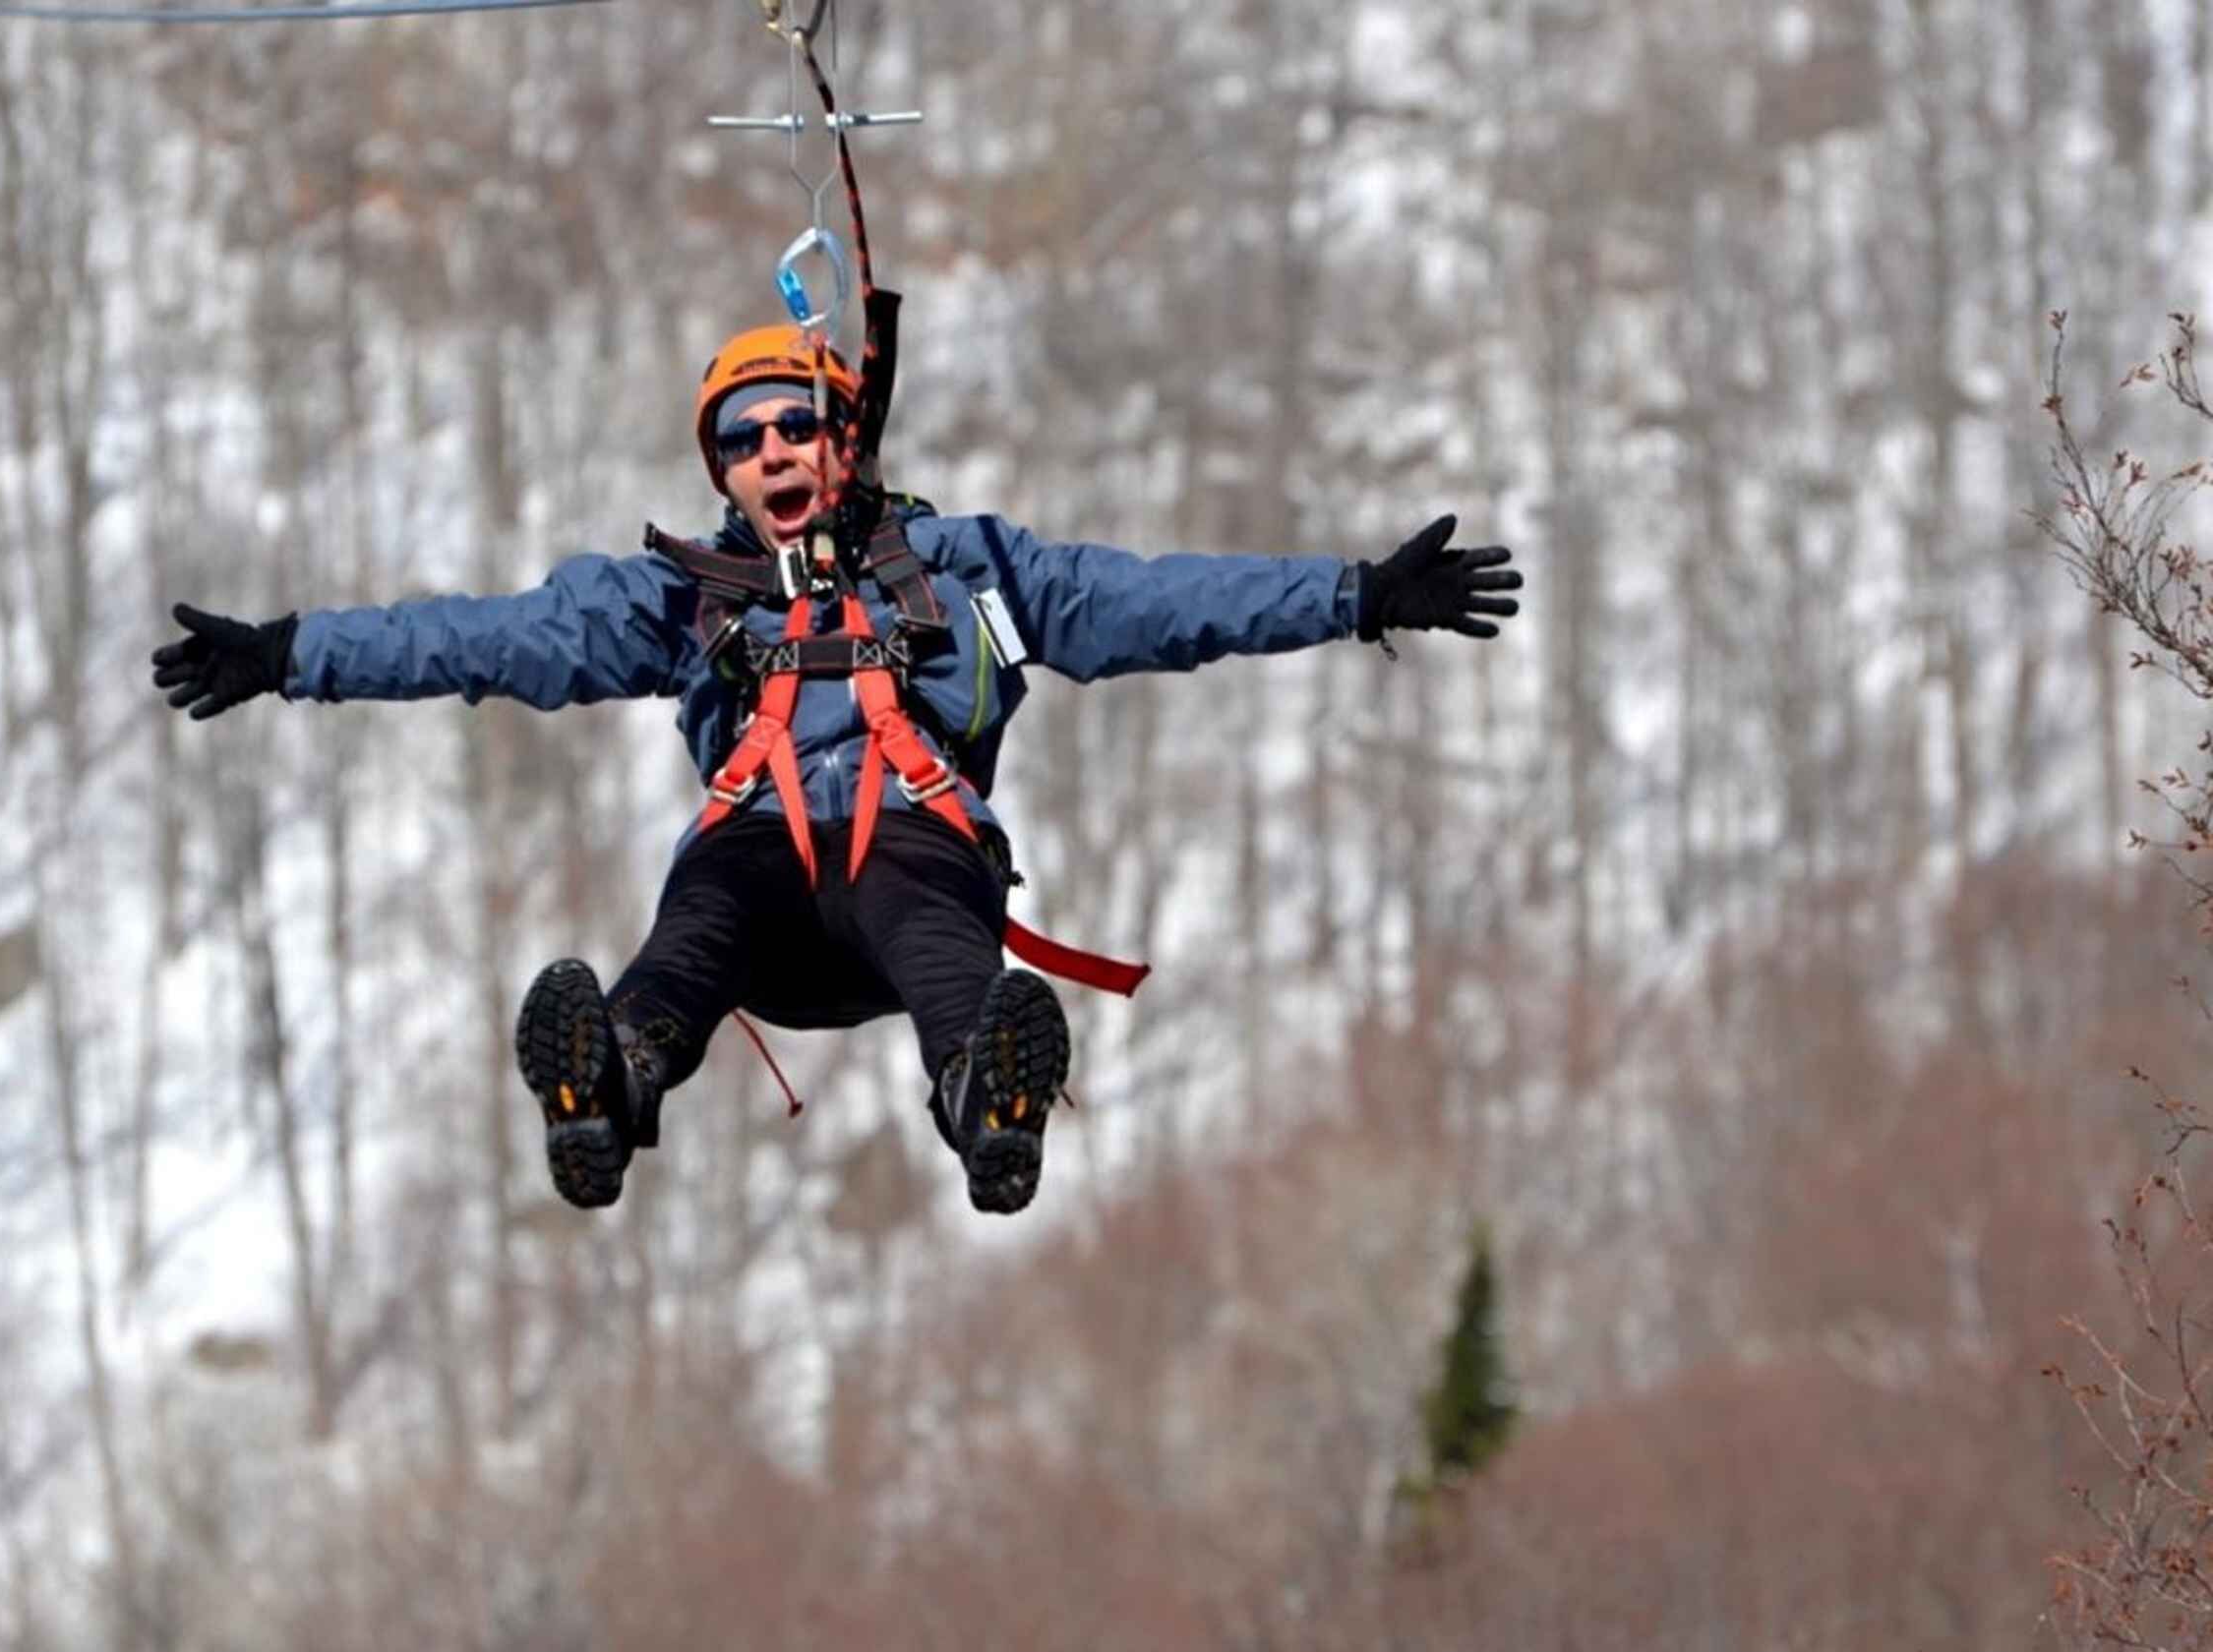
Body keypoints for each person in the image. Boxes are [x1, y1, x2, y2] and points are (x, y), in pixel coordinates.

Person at [150, 325, 1524, 1215]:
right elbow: (487, 639)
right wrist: (291, 653)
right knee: (699, 918)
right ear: (723, 476)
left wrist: (1355, 595)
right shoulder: (681, 597)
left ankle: (985, 1095)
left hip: (910, 860)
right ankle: (614, 1081)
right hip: (758, 882)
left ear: (843, 441)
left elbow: (1160, 602)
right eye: (741, 444)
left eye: (790, 429)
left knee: (935, 918)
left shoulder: (972, 571)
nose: (770, 456)